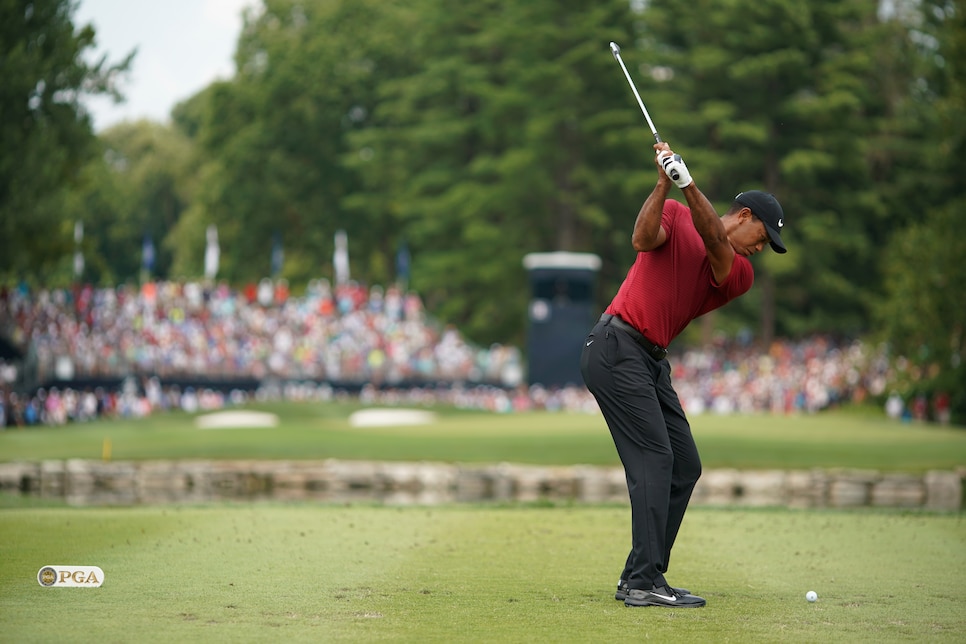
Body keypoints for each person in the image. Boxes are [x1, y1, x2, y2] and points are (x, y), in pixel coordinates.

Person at [580, 141, 787, 608]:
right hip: (616, 346)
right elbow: (641, 239)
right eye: (763, 237)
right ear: (745, 215)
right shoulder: (674, 212)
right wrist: (662, 183)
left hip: (648, 358)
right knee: (656, 458)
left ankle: (643, 574)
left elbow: (715, 241)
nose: (761, 249)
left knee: (684, 464)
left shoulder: (738, 273)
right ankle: (643, 581)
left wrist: (686, 181)